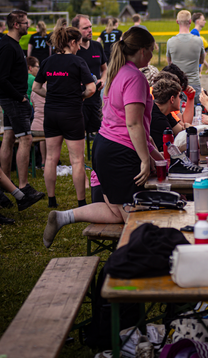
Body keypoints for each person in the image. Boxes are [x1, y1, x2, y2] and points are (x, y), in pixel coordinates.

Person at [42, 27, 165, 249]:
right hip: (120, 152)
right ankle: (134, 264)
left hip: (105, 147)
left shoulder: (118, 72)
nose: (153, 55)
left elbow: (128, 123)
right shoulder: (135, 77)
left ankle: (63, 217)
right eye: (152, 50)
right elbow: (133, 123)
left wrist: (154, 153)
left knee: (117, 211)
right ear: (143, 50)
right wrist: (145, 159)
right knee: (132, 216)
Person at [32, 26, 96, 207]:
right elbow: (91, 88)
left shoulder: (47, 61)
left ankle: (52, 200)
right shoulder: (78, 62)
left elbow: (36, 88)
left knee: (51, 158)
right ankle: (81, 202)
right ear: (73, 42)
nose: (79, 48)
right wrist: (79, 96)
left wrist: (52, 97)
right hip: (72, 114)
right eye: (78, 44)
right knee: (77, 160)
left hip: (51, 113)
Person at [0, 10, 43, 201]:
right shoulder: (8, 47)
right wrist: (21, 97)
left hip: (10, 100)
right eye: (26, 23)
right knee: (25, 139)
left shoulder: (12, 44)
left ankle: (6, 185)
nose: (29, 25)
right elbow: (2, 78)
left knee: (9, 138)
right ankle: (24, 187)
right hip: (14, 100)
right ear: (16, 25)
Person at [72, 14, 107, 135]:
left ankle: (96, 154)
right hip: (79, 99)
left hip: (95, 99)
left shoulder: (97, 46)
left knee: (99, 134)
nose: (90, 30)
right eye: (85, 28)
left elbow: (105, 68)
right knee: (79, 134)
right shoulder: (73, 49)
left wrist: (102, 79)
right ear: (76, 30)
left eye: (90, 27)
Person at [166, 10, 204, 104]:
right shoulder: (198, 41)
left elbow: (170, 63)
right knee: (195, 113)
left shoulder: (170, 42)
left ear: (177, 21)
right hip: (194, 83)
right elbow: (201, 61)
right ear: (190, 21)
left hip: (177, 84)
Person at [150, 74, 184, 151]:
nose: (181, 100)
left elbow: (181, 131)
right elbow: (172, 149)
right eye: (180, 96)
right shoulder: (158, 120)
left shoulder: (164, 111)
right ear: (172, 99)